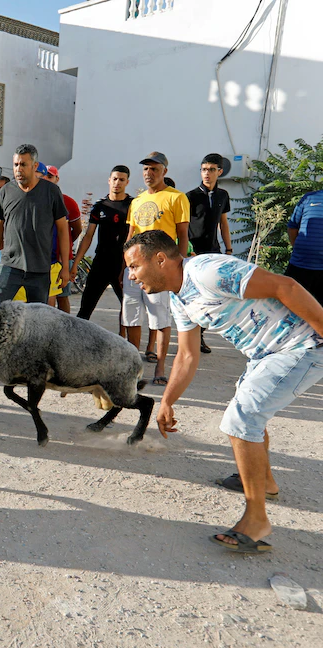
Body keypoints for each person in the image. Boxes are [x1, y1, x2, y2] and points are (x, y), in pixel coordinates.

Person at [125, 230, 323, 553]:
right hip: (265, 355)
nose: (131, 276)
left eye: (134, 266)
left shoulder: (207, 272)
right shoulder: (178, 297)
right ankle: (267, 482)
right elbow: (188, 355)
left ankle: (257, 519)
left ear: (160, 259)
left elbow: (283, 285)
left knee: (242, 418)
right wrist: (167, 400)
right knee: (248, 405)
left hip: (302, 345)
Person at [0, 144, 69, 383]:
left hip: (40, 269)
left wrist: (65, 266)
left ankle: (34, 371)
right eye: (15, 164)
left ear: (34, 165)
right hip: (9, 266)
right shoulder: (7, 192)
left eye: (23, 164)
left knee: (36, 324)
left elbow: (63, 230)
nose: (18, 169)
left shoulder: (51, 192)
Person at [122, 152, 190, 385]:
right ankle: (132, 367)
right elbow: (130, 235)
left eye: (154, 169)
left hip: (160, 267)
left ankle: (160, 367)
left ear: (164, 172)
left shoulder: (176, 198)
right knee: (131, 315)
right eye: (145, 169)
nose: (149, 173)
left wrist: (179, 266)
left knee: (159, 317)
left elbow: (183, 234)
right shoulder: (136, 201)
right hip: (134, 266)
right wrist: (126, 264)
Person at [73, 165, 132, 321]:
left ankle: (125, 342)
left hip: (123, 264)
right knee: (85, 310)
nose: (117, 183)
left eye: (121, 180)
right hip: (101, 263)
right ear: (109, 180)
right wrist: (75, 263)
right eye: (114, 179)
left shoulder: (133, 205)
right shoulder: (100, 206)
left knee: (128, 310)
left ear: (127, 182)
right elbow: (88, 236)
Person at [186, 153, 233, 352]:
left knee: (210, 297)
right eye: (204, 169)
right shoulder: (190, 196)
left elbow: (223, 223)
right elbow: (183, 226)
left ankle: (200, 336)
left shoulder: (222, 195)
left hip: (213, 251)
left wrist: (228, 249)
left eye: (212, 170)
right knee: (193, 296)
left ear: (219, 172)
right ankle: (190, 338)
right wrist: (187, 250)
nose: (207, 173)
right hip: (193, 253)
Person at [43, 165, 83, 313]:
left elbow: (77, 228)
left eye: (50, 176)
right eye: (44, 176)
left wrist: (65, 243)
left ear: (57, 179)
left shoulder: (68, 202)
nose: (46, 179)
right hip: (44, 257)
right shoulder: (38, 199)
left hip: (62, 258)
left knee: (62, 296)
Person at [286, 188, 323, 305]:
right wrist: (298, 248)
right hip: (299, 266)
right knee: (289, 307)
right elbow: (292, 227)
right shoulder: (309, 198)